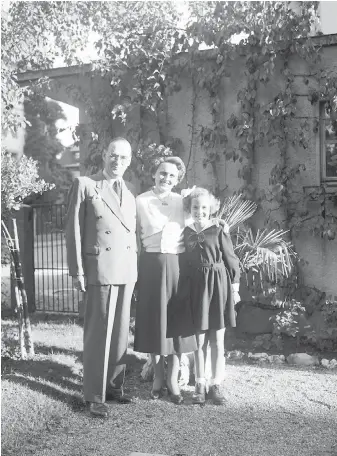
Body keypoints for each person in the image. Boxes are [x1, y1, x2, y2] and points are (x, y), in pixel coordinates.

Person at [65, 137, 137, 418]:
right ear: (104, 156)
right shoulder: (85, 184)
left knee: (120, 333)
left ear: (129, 161)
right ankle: (94, 395)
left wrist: (136, 271)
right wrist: (76, 270)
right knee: (98, 334)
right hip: (99, 268)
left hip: (126, 270)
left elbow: (133, 237)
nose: (117, 161)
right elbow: (72, 231)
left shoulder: (130, 194)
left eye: (123, 157)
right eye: (113, 155)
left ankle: (114, 387)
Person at [134, 156, 197, 404]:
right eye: (162, 173)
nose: (166, 178)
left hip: (177, 265)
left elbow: (199, 224)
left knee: (176, 321)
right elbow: (134, 237)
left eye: (172, 176)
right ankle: (158, 375)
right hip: (150, 265)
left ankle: (173, 377)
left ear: (177, 180)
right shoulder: (141, 201)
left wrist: (219, 225)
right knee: (154, 320)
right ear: (154, 174)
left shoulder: (182, 202)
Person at [171, 187, 241, 406]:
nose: (199, 211)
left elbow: (231, 259)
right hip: (197, 289)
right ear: (189, 209)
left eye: (203, 207)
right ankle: (200, 383)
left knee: (217, 339)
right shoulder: (186, 231)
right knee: (199, 339)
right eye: (195, 207)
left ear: (210, 209)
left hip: (218, 285)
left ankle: (215, 384)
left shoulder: (219, 229)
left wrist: (235, 288)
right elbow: (182, 262)